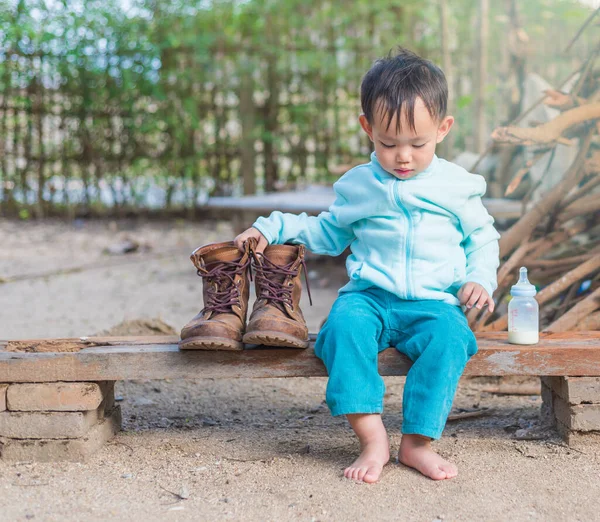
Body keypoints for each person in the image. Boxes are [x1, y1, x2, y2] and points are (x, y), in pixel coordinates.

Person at [234, 47, 500, 483]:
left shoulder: (456, 186)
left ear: (443, 129)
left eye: (418, 144)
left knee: (452, 339)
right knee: (342, 329)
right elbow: (328, 232)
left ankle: (417, 443)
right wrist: (274, 227)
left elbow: (483, 238)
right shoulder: (360, 185)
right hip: (370, 297)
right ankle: (372, 438)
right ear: (367, 128)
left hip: (435, 303)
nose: (403, 157)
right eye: (388, 143)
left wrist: (478, 278)